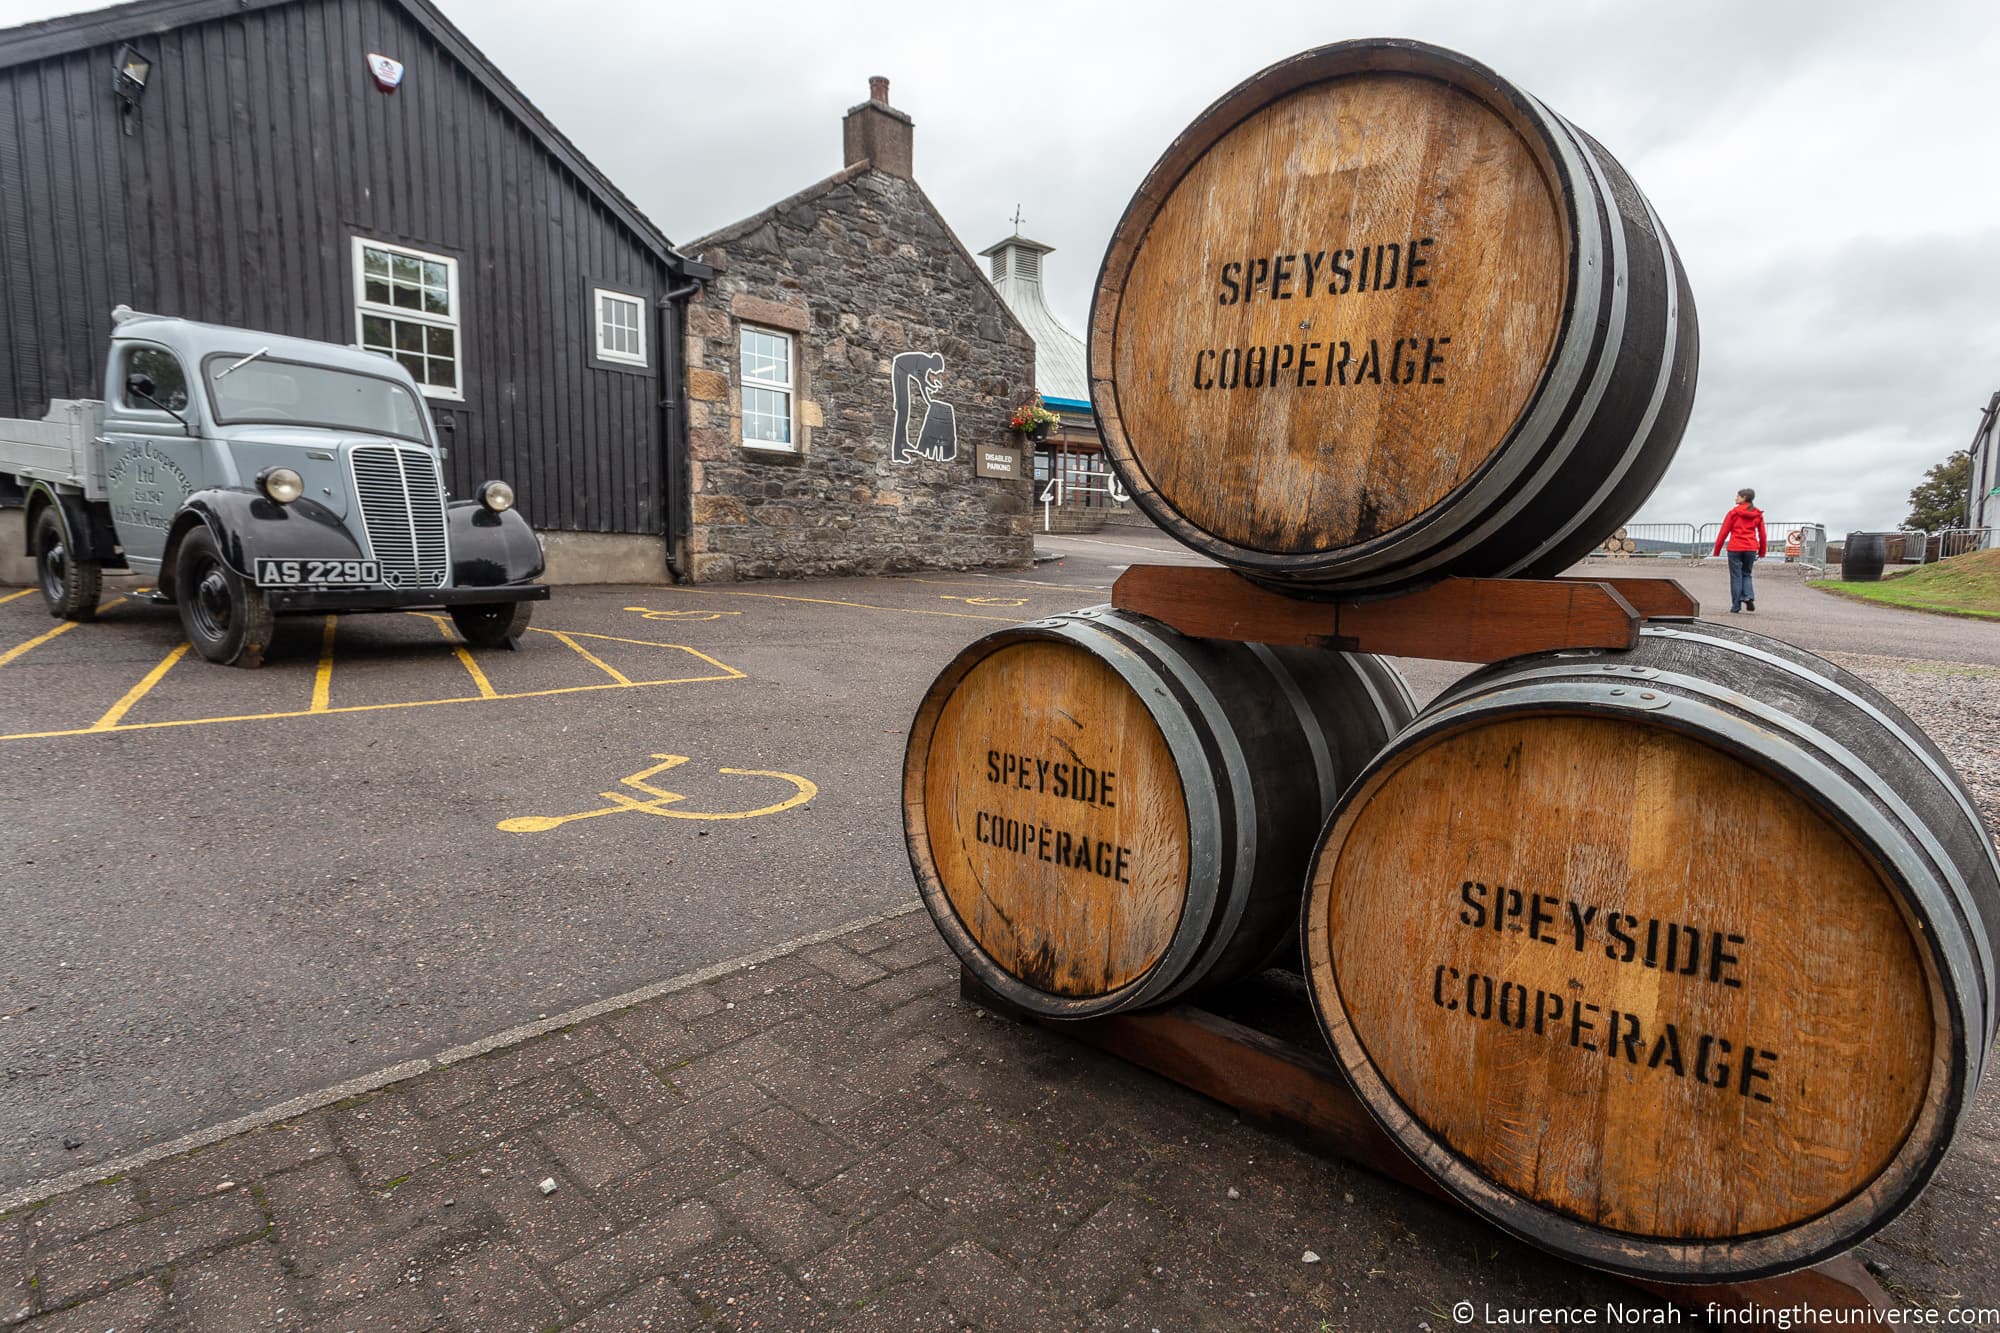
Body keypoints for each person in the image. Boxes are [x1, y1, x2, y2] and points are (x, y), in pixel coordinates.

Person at [1712, 488, 1767, 613]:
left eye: (1738, 496)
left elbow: (1724, 532)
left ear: (1744, 498)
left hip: (1735, 547)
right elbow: (1762, 534)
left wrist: (1717, 550)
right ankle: (1748, 596)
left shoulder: (1733, 513)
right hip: (1751, 547)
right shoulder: (1757, 514)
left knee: (1736, 576)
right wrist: (1762, 551)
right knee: (1746, 574)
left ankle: (1736, 605)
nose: (1735, 498)